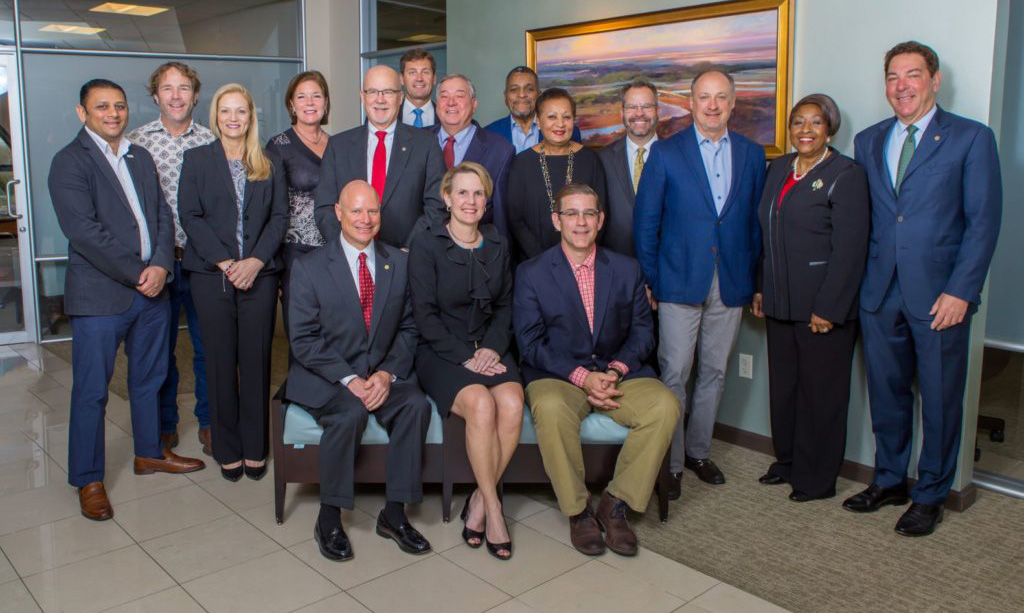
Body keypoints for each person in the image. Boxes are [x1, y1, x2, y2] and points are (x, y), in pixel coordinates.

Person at [843, 41, 1001, 536]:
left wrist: (961, 291)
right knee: (886, 395)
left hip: (940, 297)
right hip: (879, 292)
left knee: (939, 397)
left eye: (912, 75)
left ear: (934, 80)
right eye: (893, 76)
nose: (902, 85)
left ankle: (930, 492)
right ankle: (890, 479)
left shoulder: (971, 139)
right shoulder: (868, 140)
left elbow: (983, 223)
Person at [49, 79, 205, 521]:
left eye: (118, 106)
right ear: (83, 113)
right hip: (101, 296)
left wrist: (160, 265)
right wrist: (141, 272)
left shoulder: (139, 155)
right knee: (92, 392)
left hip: (151, 291)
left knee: (149, 379)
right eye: (102, 107)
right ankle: (88, 478)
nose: (113, 113)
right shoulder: (69, 163)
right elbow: (84, 233)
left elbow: (160, 214)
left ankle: (149, 452)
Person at [513, 183, 678, 557]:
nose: (581, 222)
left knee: (665, 405)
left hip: (618, 373)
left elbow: (642, 332)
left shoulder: (626, 269)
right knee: (552, 410)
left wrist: (615, 371)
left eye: (589, 213)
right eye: (571, 213)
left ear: (601, 220)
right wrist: (582, 377)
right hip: (559, 375)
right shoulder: (532, 273)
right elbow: (530, 342)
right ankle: (578, 511)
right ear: (557, 220)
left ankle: (616, 503)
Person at [634, 70, 765, 498]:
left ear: (732, 103)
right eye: (704, 97)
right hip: (676, 282)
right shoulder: (667, 153)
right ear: (690, 103)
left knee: (714, 372)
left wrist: (755, 279)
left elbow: (754, 225)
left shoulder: (750, 154)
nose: (712, 105)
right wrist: (651, 279)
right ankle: (669, 462)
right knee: (674, 374)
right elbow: (646, 222)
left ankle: (698, 452)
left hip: (730, 282)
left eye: (720, 98)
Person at [286, 180, 433, 562]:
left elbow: (410, 328)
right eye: (356, 211)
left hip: (381, 373)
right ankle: (329, 518)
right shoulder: (308, 267)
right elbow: (303, 339)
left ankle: (395, 514)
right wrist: (350, 380)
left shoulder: (398, 263)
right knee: (349, 413)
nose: (365, 219)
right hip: (329, 376)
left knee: (415, 405)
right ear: (338, 212)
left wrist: (386, 375)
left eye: (373, 211)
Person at [750, 94, 870, 502]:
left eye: (815, 123)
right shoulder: (779, 167)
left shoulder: (846, 174)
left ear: (830, 128)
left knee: (821, 396)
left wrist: (829, 308)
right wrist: (760, 286)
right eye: (798, 122)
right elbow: (765, 234)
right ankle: (787, 462)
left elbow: (851, 250)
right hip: (780, 301)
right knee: (784, 389)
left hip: (822, 308)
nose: (805, 130)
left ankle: (816, 479)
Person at [409, 162, 523, 560]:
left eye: (478, 193)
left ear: (486, 200)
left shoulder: (497, 243)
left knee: (511, 401)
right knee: (480, 403)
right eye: (462, 192)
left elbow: (506, 306)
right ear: (446, 198)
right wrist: (466, 357)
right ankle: (493, 510)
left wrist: (491, 348)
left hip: (490, 346)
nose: (470, 201)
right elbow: (424, 315)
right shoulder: (427, 242)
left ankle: (477, 499)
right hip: (441, 350)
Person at [178, 83, 288, 482]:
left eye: (241, 111)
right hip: (212, 276)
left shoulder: (269, 160)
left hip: (259, 275)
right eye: (226, 111)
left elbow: (279, 218)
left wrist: (255, 261)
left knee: (257, 362)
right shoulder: (197, 160)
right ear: (216, 116)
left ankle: (255, 447)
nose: (233, 118)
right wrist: (227, 263)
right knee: (220, 363)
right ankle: (227, 448)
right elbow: (190, 216)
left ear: (251, 116)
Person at [127, 61, 216, 455]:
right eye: (168, 88)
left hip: (202, 261)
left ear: (196, 95)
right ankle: (165, 424)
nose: (176, 95)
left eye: (184, 88)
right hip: (159, 263)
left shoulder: (213, 140)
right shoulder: (135, 142)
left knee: (207, 345)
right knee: (159, 349)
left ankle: (211, 421)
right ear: (156, 95)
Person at [314, 65, 445, 249]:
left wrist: (409, 250)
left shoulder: (426, 144)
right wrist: (349, 248)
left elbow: (436, 206)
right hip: (351, 260)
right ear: (362, 97)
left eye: (388, 92)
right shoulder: (338, 146)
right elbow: (325, 207)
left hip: (407, 257)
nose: (380, 99)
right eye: (373, 91)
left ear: (400, 97)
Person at [507, 88, 606, 262]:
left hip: (583, 260)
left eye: (566, 117)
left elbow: (600, 213)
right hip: (534, 261)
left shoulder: (590, 160)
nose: (560, 124)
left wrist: (579, 256)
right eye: (552, 116)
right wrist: (543, 260)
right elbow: (516, 219)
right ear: (538, 120)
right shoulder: (522, 162)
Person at [265, 70, 330, 336]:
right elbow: (268, 208)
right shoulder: (278, 146)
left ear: (326, 102)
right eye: (301, 97)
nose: (310, 102)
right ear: (291, 104)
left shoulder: (339, 145)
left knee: (335, 331)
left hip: (334, 252)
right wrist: (274, 266)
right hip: (295, 256)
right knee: (302, 333)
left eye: (316, 95)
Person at [431, 74, 515, 236]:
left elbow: (500, 217)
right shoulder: (419, 141)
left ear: (474, 104)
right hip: (425, 247)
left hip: (476, 249)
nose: (451, 102)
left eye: (460, 96)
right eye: (444, 96)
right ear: (437, 105)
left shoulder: (500, 150)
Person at [597, 79, 660, 257]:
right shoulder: (602, 159)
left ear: (657, 111)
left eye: (647, 106)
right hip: (616, 268)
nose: (639, 113)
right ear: (622, 112)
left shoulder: (676, 157)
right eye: (632, 107)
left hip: (665, 268)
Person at [484, 66, 582, 153]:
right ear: (505, 97)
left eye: (529, 89)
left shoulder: (567, 131)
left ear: (539, 95)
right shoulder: (489, 133)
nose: (522, 95)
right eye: (514, 89)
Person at [399, 48, 437, 129]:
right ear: (402, 79)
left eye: (425, 72)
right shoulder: (389, 115)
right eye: (412, 72)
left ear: (434, 79)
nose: (419, 78)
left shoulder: (446, 116)